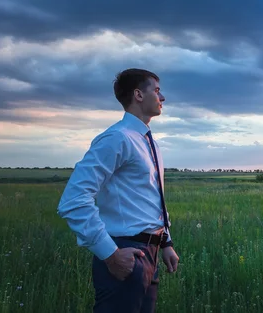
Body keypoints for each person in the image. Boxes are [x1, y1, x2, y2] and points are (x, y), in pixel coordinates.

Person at [57, 68, 179, 313]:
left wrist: (165, 241)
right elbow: (73, 200)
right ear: (138, 95)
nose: (162, 97)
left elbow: (149, 198)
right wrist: (110, 254)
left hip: (150, 253)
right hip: (125, 251)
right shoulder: (117, 138)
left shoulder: (148, 142)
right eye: (156, 90)